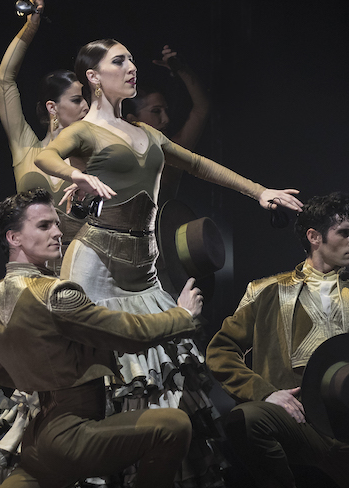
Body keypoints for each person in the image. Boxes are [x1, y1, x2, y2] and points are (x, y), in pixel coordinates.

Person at [33, 38, 303, 484]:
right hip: (96, 263)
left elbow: (200, 164)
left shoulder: (149, 134)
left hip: (145, 268)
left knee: (168, 370)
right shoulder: (84, 131)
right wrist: (76, 173)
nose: (132, 67)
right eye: (119, 61)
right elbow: (45, 155)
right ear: (94, 78)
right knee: (105, 373)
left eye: (133, 59)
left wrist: (261, 192)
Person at [0, 189, 206, 488]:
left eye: (56, 224)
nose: (58, 232)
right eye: (44, 226)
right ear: (14, 238)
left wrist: (29, 375)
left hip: (37, 437)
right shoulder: (56, 294)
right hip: (70, 434)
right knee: (173, 426)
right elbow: (128, 333)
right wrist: (182, 315)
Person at [205, 192, 349, 488]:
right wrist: (265, 393)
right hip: (293, 421)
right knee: (246, 419)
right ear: (314, 236)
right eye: (345, 233)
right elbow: (221, 351)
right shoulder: (265, 291)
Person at [0, 0, 90, 260]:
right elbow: (4, 81)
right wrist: (31, 27)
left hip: (79, 266)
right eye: (75, 100)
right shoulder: (26, 147)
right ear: (52, 107)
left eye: (85, 98)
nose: (85, 106)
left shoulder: (92, 151)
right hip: (30, 267)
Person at [122, 44, 209, 203]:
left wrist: (181, 70)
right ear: (132, 119)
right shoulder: (112, 151)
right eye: (156, 111)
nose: (166, 119)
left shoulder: (172, 152)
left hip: (165, 226)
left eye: (165, 111)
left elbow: (201, 110)